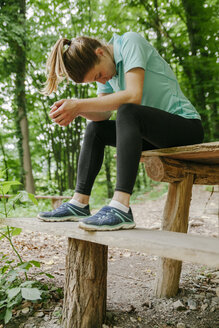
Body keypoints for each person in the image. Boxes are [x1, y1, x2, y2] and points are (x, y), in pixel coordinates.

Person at [37, 32, 204, 231]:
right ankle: (79, 203)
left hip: (185, 128)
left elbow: (133, 96)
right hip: (153, 135)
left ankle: (121, 206)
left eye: (98, 75)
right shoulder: (109, 69)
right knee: (95, 128)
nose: (101, 80)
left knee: (127, 109)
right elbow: (104, 114)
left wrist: (79, 103)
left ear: (100, 52)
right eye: (95, 81)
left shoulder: (130, 42)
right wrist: (76, 111)